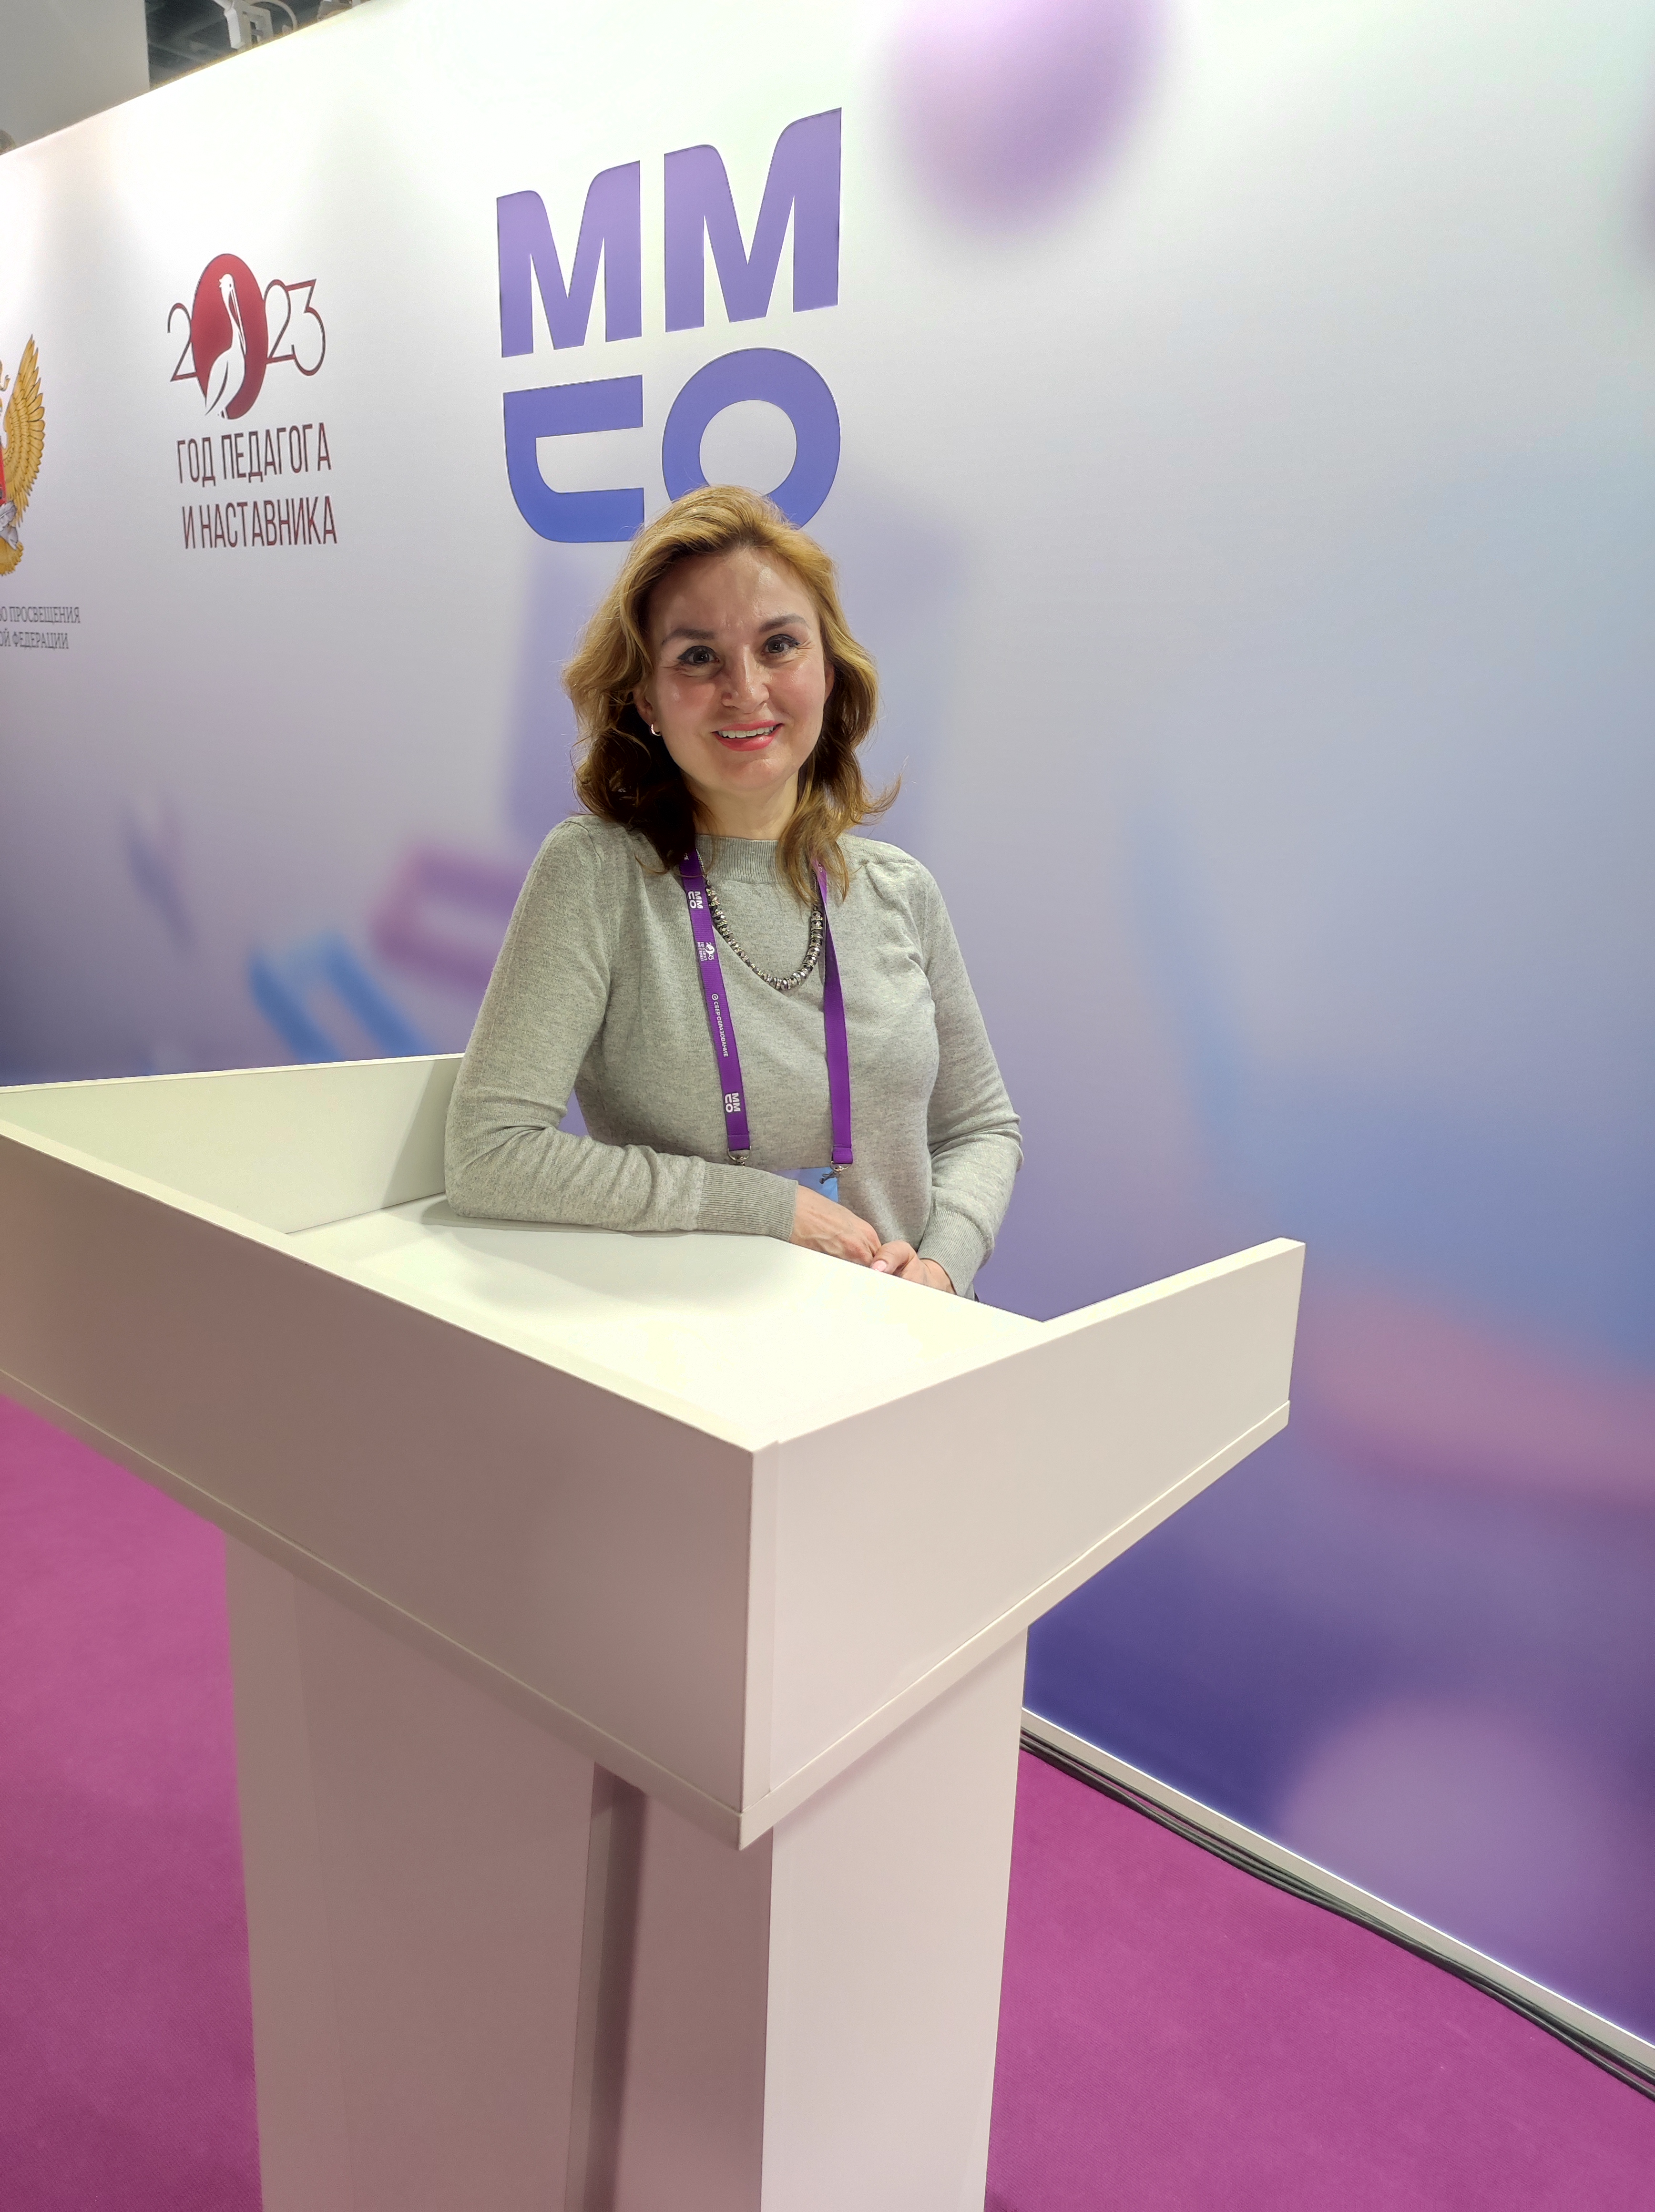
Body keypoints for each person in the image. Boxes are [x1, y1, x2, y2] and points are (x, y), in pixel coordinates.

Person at [445, 485, 1020, 1297]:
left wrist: (942, 1268)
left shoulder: (901, 890)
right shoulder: (597, 875)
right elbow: (491, 1153)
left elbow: (981, 1128)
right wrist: (767, 1208)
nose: (745, 689)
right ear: (646, 699)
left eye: (779, 645)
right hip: (693, 1351)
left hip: (908, 1340)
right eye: (697, 656)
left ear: (828, 671)